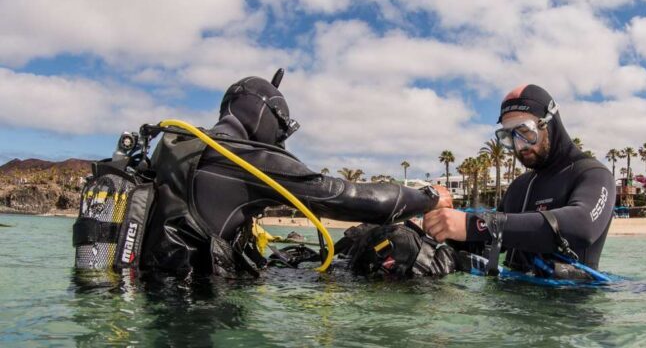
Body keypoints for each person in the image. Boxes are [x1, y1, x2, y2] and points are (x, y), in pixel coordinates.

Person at [75, 70, 451, 280]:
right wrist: (429, 197)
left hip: (153, 295)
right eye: (282, 128)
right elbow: (350, 198)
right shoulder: (245, 158)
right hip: (200, 315)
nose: (282, 140)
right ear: (265, 115)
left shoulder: (175, 147)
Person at [423, 84, 615, 275]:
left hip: (569, 302)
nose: (519, 145)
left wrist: (473, 225)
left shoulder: (594, 174)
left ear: (549, 121)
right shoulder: (520, 186)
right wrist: (442, 227)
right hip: (511, 301)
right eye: (509, 136)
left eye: (525, 131)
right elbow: (484, 243)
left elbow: (582, 226)